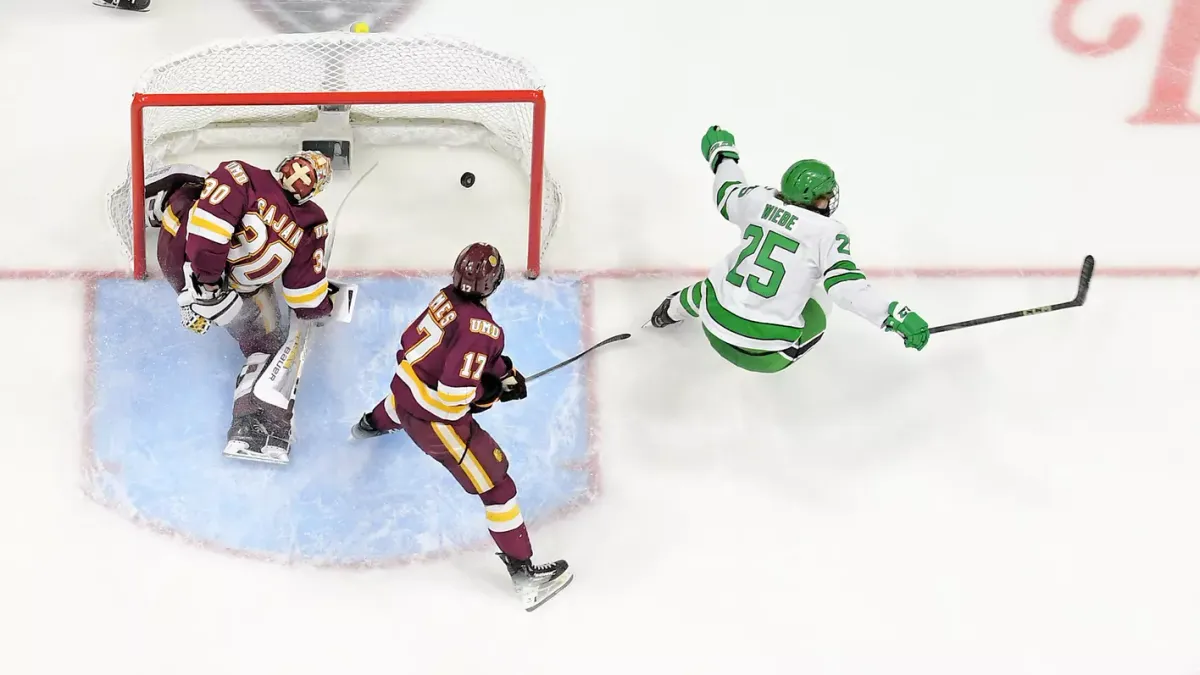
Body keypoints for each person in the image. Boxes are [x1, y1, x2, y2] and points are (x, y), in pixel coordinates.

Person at [350, 243, 573, 611]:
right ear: (495, 282)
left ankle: (366, 427)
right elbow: (454, 396)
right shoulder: (484, 330)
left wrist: (505, 372)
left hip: (402, 394)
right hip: (435, 423)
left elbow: (440, 350)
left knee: (399, 404)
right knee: (498, 488)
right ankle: (525, 577)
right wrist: (492, 394)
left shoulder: (445, 298)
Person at [647, 125, 931, 371]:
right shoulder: (828, 232)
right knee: (822, 298)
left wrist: (723, 155)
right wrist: (893, 315)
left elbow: (727, 191)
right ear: (816, 200)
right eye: (826, 194)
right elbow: (845, 288)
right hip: (767, 357)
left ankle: (666, 313)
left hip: (714, 330)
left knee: (715, 286)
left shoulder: (758, 201)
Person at [145, 151, 339, 463]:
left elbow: (208, 233)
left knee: (193, 192)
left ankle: (158, 204)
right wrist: (321, 308)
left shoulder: (241, 174)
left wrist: (203, 287)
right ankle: (248, 428)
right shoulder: (313, 224)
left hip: (186, 266)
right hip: (230, 294)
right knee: (265, 345)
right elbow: (304, 296)